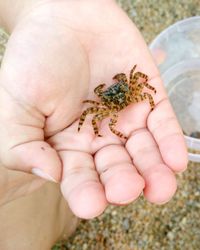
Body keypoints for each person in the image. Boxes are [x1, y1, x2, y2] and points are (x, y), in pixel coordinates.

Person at [0, 0, 188, 249]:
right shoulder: (102, 105)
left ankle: (57, 212)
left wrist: (39, 8)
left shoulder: (131, 85)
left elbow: (140, 80)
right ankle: (56, 210)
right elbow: (98, 118)